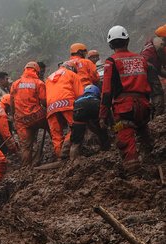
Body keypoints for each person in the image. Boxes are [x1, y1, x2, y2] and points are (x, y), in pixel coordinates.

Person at [100, 25, 153, 174]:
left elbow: (106, 91)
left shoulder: (111, 61)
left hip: (124, 109)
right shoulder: (141, 58)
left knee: (125, 139)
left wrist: (103, 115)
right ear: (128, 40)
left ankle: (134, 175)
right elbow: (147, 83)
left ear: (110, 44)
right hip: (144, 106)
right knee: (144, 132)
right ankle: (151, 161)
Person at [10, 62, 48, 166]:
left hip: (21, 120)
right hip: (37, 116)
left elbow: (12, 103)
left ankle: (26, 169)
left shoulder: (15, 84)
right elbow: (44, 101)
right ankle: (59, 152)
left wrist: (14, 117)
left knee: (26, 147)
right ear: (36, 71)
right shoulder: (38, 83)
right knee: (53, 128)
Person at [45, 60, 84, 160]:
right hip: (67, 103)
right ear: (72, 68)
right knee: (75, 126)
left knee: (56, 134)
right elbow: (80, 94)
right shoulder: (71, 74)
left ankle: (60, 157)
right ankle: (66, 148)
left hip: (51, 107)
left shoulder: (49, 78)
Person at [69, 85, 110, 159]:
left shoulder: (78, 98)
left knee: (76, 139)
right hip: (95, 104)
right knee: (102, 128)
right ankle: (106, 149)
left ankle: (73, 158)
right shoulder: (97, 97)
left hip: (79, 106)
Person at [140, 24, 166, 115]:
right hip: (148, 66)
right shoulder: (159, 42)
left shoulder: (149, 43)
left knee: (147, 92)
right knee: (157, 91)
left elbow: (158, 70)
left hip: (142, 66)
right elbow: (161, 54)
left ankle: (150, 113)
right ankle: (159, 113)